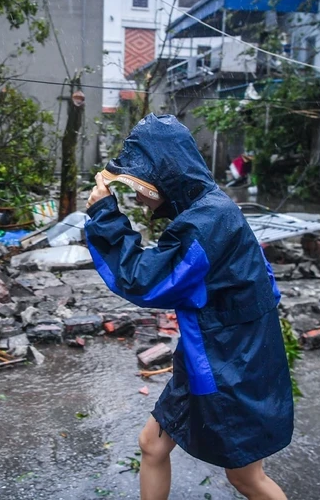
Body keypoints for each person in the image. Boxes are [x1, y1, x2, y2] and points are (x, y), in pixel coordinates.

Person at [84, 114, 293, 500]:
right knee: (152, 444)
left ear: (164, 177)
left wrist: (104, 215)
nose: (139, 197)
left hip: (232, 366)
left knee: (246, 477)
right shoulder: (209, 210)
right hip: (213, 356)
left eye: (139, 187)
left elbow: (146, 280)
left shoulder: (207, 221)